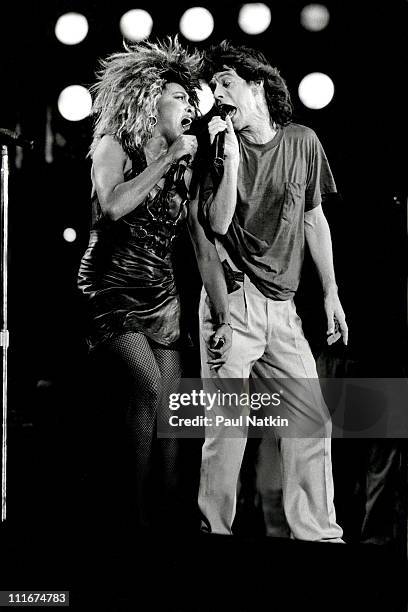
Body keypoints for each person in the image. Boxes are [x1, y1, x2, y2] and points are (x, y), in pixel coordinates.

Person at [192, 41, 349, 541]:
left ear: (256, 85)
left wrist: (330, 292)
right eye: (213, 87)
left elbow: (313, 218)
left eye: (226, 84)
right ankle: (215, 530)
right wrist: (232, 160)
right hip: (231, 297)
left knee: (309, 418)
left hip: (283, 308)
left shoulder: (303, 141)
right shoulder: (218, 149)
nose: (218, 95)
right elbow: (215, 224)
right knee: (228, 426)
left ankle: (319, 532)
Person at [77, 37, 231, 534]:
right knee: (148, 386)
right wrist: (167, 159)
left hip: (159, 291)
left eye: (190, 100)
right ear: (149, 100)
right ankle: (135, 520)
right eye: (178, 98)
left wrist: (222, 317)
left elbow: (203, 245)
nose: (188, 106)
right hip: (110, 285)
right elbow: (114, 206)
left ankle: (166, 520)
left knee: (172, 406)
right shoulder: (112, 144)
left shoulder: (185, 164)